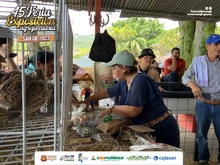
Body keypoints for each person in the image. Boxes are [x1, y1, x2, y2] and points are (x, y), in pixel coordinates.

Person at [85, 50, 180, 148]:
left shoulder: (140, 80)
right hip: (148, 128)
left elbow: (133, 110)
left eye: (114, 68)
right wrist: (88, 99)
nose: (112, 72)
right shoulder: (124, 82)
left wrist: (112, 108)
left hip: (162, 128)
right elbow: (106, 92)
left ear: (123, 68)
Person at [182, 34, 220, 165]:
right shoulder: (198, 61)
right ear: (208, 46)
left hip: (219, 103)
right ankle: (203, 159)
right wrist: (192, 85)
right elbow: (185, 78)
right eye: (216, 44)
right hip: (203, 103)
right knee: (201, 134)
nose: (219, 47)